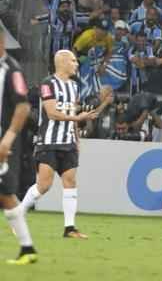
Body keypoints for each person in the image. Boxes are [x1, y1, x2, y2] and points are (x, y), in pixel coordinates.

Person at [20, 50, 100, 239]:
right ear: (62, 62)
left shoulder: (74, 86)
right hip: (49, 141)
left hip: (68, 142)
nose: (76, 64)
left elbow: (71, 113)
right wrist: (78, 118)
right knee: (44, 185)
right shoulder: (48, 83)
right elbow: (52, 113)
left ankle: (69, 228)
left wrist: (76, 138)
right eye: (73, 61)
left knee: (70, 181)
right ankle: (19, 213)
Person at [0, 23, 38, 265]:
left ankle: (27, 248)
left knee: (6, 194)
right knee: (5, 196)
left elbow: (23, 106)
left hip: (3, 142)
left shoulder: (12, 70)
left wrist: (8, 138)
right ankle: (27, 248)